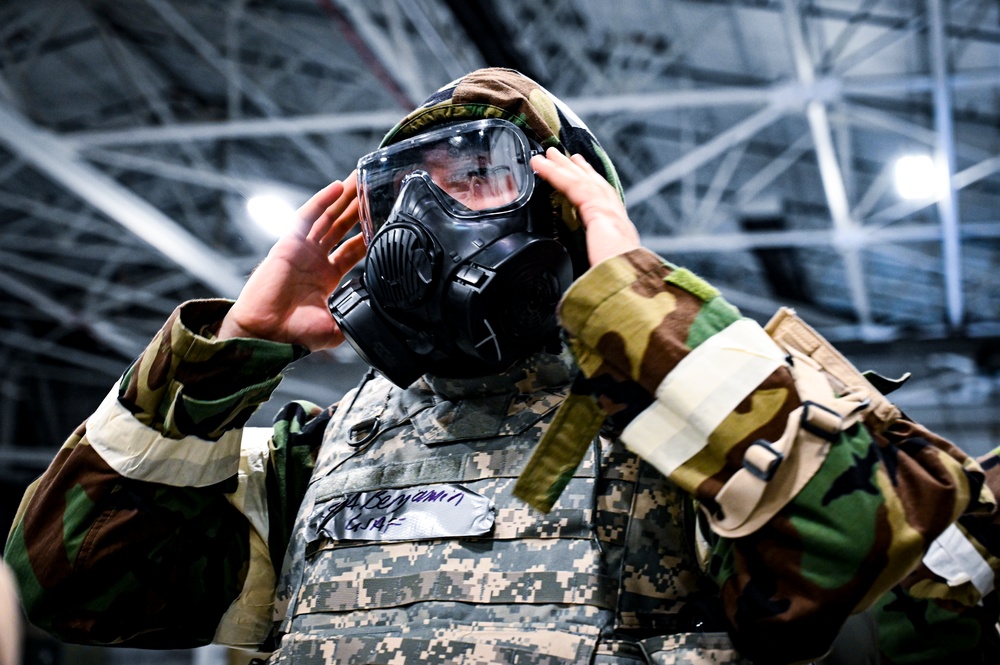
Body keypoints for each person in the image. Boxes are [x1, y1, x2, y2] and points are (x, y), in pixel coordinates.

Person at [4, 68, 1000, 664]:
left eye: (481, 176)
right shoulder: (312, 455)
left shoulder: (712, 405)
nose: (429, 219)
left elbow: (852, 551)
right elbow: (73, 581)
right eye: (406, 191)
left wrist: (636, 300)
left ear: (564, 205)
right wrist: (221, 357)